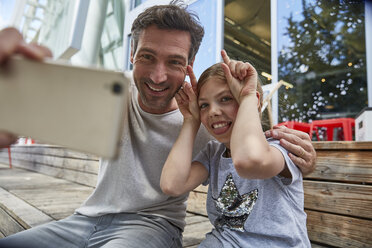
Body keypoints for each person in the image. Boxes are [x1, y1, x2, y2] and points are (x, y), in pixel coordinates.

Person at [0, 1, 316, 248]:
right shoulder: (110, 93)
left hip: (152, 224)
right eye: (147, 57)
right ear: (131, 57)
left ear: (189, 66)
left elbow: (253, 151)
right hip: (85, 217)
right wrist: (14, 91)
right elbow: (35, 105)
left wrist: (304, 156)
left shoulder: (216, 128)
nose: (158, 76)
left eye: (175, 62)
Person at [160, 50, 311, 247]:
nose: (213, 111)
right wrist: (190, 120)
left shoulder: (278, 149)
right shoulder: (213, 153)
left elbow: (249, 161)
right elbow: (172, 185)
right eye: (204, 105)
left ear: (253, 102)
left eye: (226, 99)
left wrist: (247, 96)